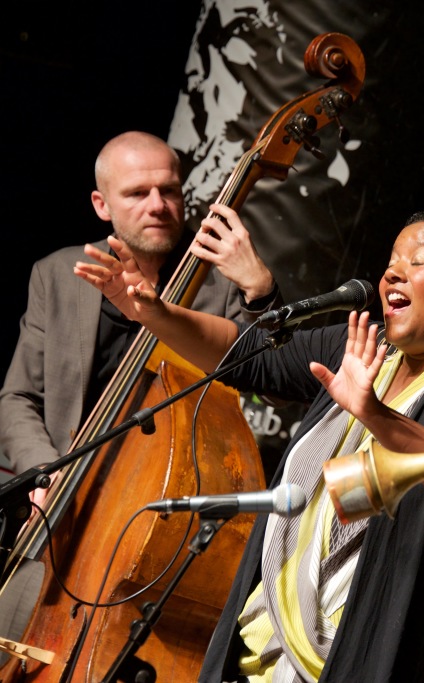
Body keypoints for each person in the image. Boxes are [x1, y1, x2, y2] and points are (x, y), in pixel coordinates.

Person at [74, 208, 424, 682]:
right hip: (258, 646)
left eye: (417, 262)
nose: (393, 272)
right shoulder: (361, 345)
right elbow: (243, 355)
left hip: (357, 660)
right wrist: (155, 314)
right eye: (393, 260)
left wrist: (372, 412)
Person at [0, 130, 279, 659]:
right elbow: (17, 398)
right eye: (137, 193)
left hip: (159, 532)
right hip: (59, 522)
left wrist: (261, 291)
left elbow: (276, 383)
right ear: (101, 205)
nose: (158, 205)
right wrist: (43, 473)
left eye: (169, 190)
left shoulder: (224, 283)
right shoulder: (57, 275)